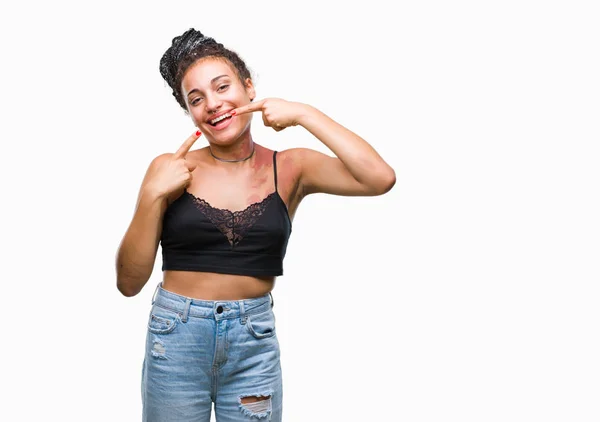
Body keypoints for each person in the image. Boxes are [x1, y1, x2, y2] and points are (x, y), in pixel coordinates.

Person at [115, 28, 396, 421]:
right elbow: (128, 283)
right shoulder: (171, 169)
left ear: (249, 88)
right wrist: (151, 196)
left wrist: (302, 113)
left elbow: (378, 178)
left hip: (253, 340)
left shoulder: (291, 167)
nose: (212, 104)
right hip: (176, 338)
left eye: (222, 87)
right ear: (190, 113)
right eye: (196, 100)